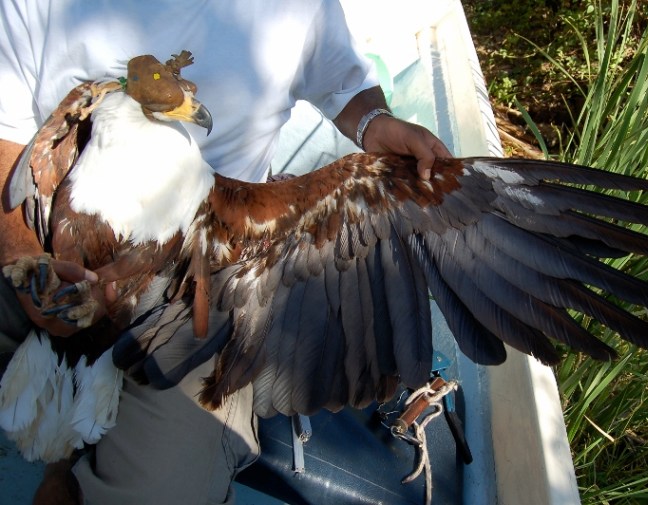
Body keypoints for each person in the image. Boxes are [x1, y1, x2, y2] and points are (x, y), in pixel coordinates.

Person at [0, 1, 451, 503]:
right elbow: (7, 134)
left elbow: (343, 84)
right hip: (45, 230)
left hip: (208, 278)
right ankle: (61, 446)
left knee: (162, 491)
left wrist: (374, 124)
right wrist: (28, 271)